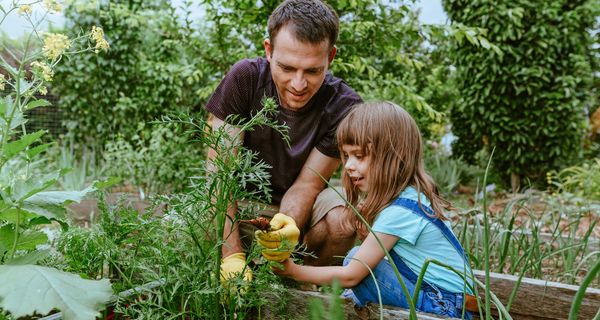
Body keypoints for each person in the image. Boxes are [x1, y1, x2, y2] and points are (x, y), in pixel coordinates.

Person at [271, 101, 478, 318]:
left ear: (393, 157)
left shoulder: (399, 212)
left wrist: (294, 271)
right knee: (358, 266)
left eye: (359, 156)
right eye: (346, 155)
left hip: (446, 308)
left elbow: (353, 275)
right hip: (449, 301)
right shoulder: (410, 197)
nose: (349, 165)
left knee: (355, 262)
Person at [205, 0, 362, 284]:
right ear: (268, 50)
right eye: (287, 68)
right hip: (239, 205)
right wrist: (231, 257)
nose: (298, 84)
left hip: (299, 209)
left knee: (343, 218)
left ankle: (295, 286)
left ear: (331, 57)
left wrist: (285, 225)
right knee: (190, 222)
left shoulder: (344, 106)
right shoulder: (245, 79)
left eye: (313, 71)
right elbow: (220, 175)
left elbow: (308, 184)